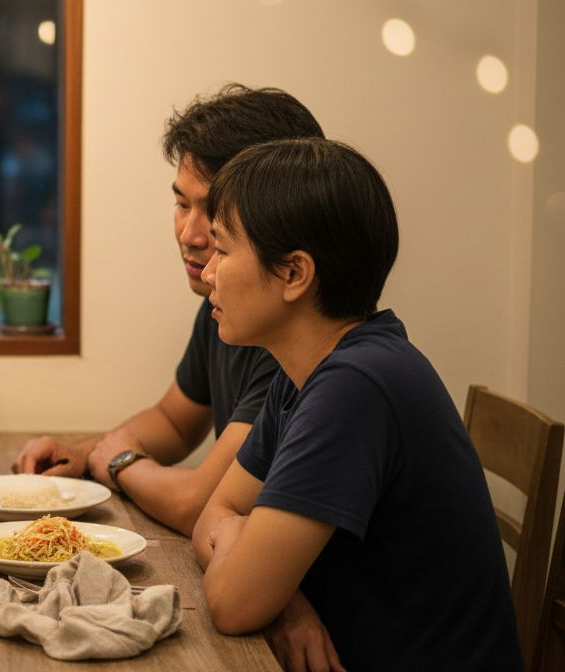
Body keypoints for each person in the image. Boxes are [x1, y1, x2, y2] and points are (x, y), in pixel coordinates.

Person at [193, 139, 522, 671]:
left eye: (224, 250)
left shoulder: (355, 387)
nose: (208, 271)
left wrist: (254, 576)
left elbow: (232, 603)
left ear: (294, 274)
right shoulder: (305, 372)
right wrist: (286, 601)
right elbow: (213, 516)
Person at [13, 85, 324, 537]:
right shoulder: (226, 307)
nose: (190, 234)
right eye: (181, 204)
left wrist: (119, 462)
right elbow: (175, 422)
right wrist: (84, 453)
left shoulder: (294, 343)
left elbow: (198, 504)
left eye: (215, 214)